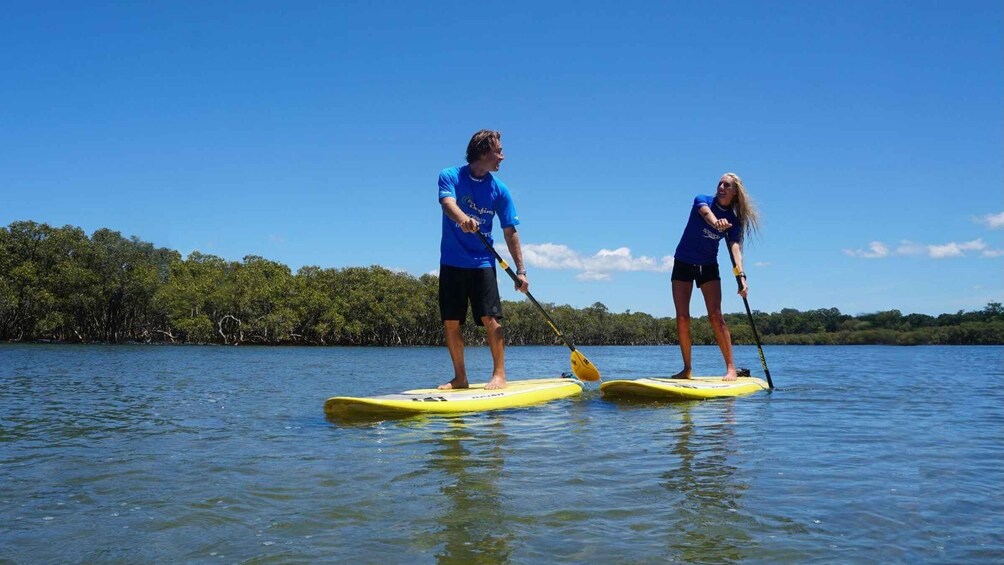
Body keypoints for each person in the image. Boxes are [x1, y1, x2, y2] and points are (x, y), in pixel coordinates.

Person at [437, 129, 529, 390]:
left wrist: (521, 271)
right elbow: (447, 203)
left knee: (491, 319)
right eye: (498, 151)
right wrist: (463, 219)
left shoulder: (500, 190)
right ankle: (460, 378)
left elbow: (510, 231)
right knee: (451, 321)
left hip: (483, 262)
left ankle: (499, 375)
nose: (503, 156)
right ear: (483, 152)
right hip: (452, 261)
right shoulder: (451, 175)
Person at [670, 172, 761, 381]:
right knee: (682, 317)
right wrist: (717, 223)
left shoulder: (734, 221)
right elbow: (707, 216)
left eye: (727, 185)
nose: (721, 187)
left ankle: (731, 368)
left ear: (734, 192)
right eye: (720, 183)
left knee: (715, 316)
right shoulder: (702, 200)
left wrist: (742, 277)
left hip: (708, 266)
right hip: (683, 262)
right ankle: (687, 369)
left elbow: (735, 248)